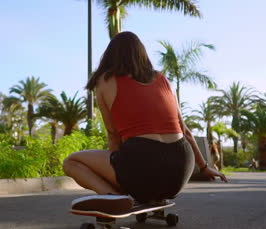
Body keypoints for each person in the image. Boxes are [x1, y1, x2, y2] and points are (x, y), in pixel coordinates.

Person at [63, 31, 227, 214]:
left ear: (110, 55)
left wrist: (119, 174)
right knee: (139, 168)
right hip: (180, 170)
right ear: (142, 54)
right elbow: (185, 131)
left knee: (71, 162)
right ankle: (139, 192)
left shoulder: (106, 81)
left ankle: (112, 197)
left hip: (142, 162)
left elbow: (113, 136)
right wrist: (205, 167)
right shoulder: (162, 79)